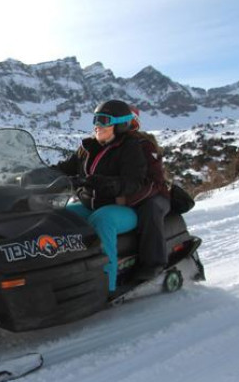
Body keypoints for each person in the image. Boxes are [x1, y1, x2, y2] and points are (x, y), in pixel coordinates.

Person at [56, 99, 147, 296]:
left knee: (103, 220)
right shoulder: (88, 148)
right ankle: (63, 276)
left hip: (123, 208)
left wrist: (104, 183)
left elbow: (134, 182)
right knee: (58, 218)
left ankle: (107, 286)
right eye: (95, 120)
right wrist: (36, 174)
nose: (98, 125)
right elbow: (64, 168)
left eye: (104, 120)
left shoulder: (130, 147)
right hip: (91, 204)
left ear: (120, 124)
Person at [123, 106, 171, 281]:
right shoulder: (109, 145)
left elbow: (155, 182)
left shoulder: (144, 145)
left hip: (155, 196)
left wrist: (128, 199)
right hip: (128, 196)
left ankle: (154, 263)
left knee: (149, 209)